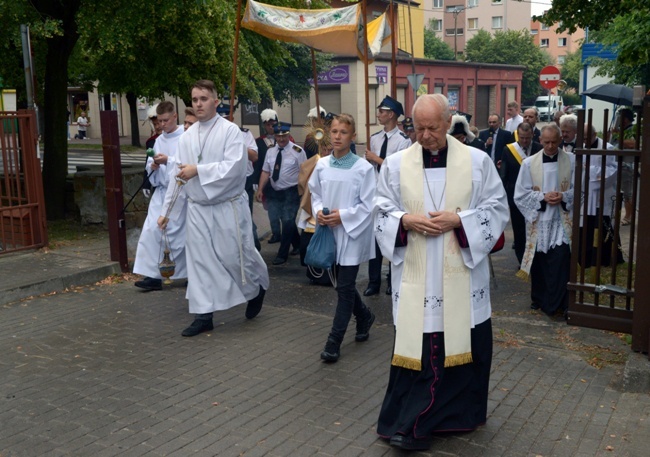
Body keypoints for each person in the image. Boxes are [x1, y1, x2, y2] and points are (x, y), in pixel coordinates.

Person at [375, 94, 509, 451]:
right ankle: (413, 421)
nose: (425, 136)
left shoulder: (478, 162)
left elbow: (498, 210)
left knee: (455, 349)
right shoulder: (395, 164)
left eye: (432, 128)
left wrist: (459, 220)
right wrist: (405, 219)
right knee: (422, 354)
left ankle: (444, 419)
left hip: (459, 278)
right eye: (418, 128)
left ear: (449, 123)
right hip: (417, 277)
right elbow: (380, 210)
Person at [159, 79, 269, 337]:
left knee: (234, 257)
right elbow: (179, 176)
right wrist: (167, 212)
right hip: (198, 209)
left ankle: (256, 288)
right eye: (195, 99)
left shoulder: (231, 132)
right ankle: (203, 315)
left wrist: (199, 170)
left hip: (226, 207)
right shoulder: (186, 138)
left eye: (203, 99)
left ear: (216, 102)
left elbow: (235, 169)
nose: (198, 104)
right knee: (199, 262)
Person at [308, 114, 377, 362]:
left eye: (343, 132)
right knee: (341, 285)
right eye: (334, 131)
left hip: (351, 233)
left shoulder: (363, 169)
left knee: (345, 288)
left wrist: (344, 216)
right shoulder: (322, 165)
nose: (337, 136)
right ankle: (365, 316)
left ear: (353, 136)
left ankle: (334, 341)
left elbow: (369, 205)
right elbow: (315, 193)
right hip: (329, 233)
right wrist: (318, 211)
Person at [514, 124, 575, 318]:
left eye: (554, 142)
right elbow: (520, 194)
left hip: (560, 222)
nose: (550, 146)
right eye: (546, 142)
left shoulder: (572, 161)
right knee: (540, 262)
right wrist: (542, 198)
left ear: (560, 140)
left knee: (560, 260)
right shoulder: (529, 163)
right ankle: (539, 299)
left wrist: (564, 197)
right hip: (539, 221)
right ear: (539, 140)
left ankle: (561, 303)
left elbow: (580, 190)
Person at [133, 101, 187, 291]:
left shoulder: (185, 137)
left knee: (178, 236)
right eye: (160, 121)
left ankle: (188, 273)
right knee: (150, 231)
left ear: (175, 117)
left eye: (165, 120)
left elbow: (186, 164)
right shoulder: (158, 140)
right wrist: (153, 167)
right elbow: (150, 163)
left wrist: (168, 161)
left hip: (179, 193)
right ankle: (152, 276)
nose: (162, 125)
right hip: (161, 192)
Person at [364, 95, 412, 297]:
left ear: (391, 114)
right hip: (375, 194)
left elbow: (399, 170)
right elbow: (368, 168)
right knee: (373, 241)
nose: (379, 114)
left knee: (392, 238)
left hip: (393, 196)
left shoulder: (404, 141)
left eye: (382, 112)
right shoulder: (375, 138)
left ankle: (392, 280)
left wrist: (376, 158)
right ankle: (373, 282)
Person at [255, 122, 307, 265]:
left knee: (288, 220)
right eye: (278, 136)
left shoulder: (298, 151)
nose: (281, 139)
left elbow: (305, 172)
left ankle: (282, 254)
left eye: (284, 136)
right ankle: (298, 244)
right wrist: (260, 189)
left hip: (292, 191)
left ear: (289, 134)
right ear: (275, 136)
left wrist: (304, 193)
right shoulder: (270, 151)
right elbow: (266, 171)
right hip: (275, 191)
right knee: (285, 220)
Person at [217, 103, 261, 250]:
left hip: (244, 180)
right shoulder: (214, 136)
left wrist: (238, 143)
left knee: (244, 215)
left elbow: (254, 156)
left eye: (227, 118)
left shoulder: (244, 134)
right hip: (224, 180)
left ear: (232, 118)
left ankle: (252, 246)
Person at [580, 124, 623, 268]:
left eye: (587, 137)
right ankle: (587, 259)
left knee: (604, 226)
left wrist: (590, 170)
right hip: (585, 193)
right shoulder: (580, 146)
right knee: (587, 226)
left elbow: (613, 171)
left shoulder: (607, 148)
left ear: (594, 135)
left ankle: (605, 259)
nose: (585, 141)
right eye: (583, 137)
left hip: (601, 194)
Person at [499, 122, 542, 264]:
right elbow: (504, 175)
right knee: (519, 230)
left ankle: (535, 259)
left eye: (527, 138)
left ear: (532, 135)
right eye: (522, 138)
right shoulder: (509, 150)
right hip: (516, 197)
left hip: (535, 195)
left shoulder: (538, 148)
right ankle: (522, 261)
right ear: (518, 135)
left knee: (535, 228)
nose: (524, 141)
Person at [255, 109, 282, 244]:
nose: (271, 127)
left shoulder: (285, 139)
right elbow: (258, 164)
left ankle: (292, 239)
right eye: (268, 124)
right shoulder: (259, 142)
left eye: (273, 124)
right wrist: (258, 184)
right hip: (267, 182)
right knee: (271, 210)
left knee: (285, 213)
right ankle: (276, 233)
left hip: (283, 182)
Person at [611, 108, 636, 225]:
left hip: (627, 165)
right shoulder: (620, 130)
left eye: (621, 118)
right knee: (615, 191)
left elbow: (633, 144)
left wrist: (618, 135)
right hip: (616, 164)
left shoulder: (633, 130)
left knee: (627, 192)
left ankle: (628, 216)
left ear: (625, 119)